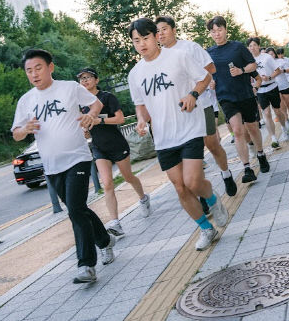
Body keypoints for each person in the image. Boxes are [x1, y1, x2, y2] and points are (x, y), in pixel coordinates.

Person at [11, 49, 116, 284]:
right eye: (29, 70)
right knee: (79, 210)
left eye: (38, 68)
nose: (34, 74)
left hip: (77, 157)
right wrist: (25, 130)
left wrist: (91, 116)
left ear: (50, 67)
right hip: (52, 166)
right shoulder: (26, 100)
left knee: (75, 210)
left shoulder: (69, 87)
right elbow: (16, 134)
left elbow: (96, 104)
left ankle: (86, 265)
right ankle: (106, 241)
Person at [128, 18, 229, 251]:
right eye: (136, 41)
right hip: (163, 137)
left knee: (192, 181)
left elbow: (205, 77)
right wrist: (142, 120)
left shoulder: (178, 56)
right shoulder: (135, 74)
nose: (141, 44)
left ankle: (213, 201)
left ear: (155, 36)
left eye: (145, 38)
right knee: (180, 188)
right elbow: (140, 106)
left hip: (189, 127)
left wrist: (193, 94)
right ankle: (206, 229)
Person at [155, 16, 238, 200]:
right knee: (192, 153)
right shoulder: (157, 57)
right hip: (180, 111)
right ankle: (201, 194)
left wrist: (195, 84)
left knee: (212, 145)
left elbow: (211, 68)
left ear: (174, 30)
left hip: (201, 104)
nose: (160, 34)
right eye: (157, 31)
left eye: (164, 29)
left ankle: (226, 174)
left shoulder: (189, 47)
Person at [77, 67, 152, 238]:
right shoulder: (81, 104)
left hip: (117, 144)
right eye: (82, 79)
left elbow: (120, 119)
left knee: (128, 177)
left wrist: (99, 120)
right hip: (98, 147)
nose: (85, 81)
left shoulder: (107, 97)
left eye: (88, 77)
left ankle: (143, 198)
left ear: (96, 80)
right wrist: (86, 131)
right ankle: (116, 223)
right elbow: (88, 128)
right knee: (108, 184)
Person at [206, 16, 269, 178]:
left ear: (226, 30)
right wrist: (211, 81)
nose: (217, 34)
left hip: (245, 94)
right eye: (213, 32)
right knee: (237, 130)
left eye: (219, 30)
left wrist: (241, 70)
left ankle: (261, 154)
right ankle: (247, 168)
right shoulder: (209, 53)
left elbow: (253, 65)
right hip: (225, 97)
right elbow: (206, 73)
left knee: (253, 127)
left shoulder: (238, 47)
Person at [247, 38, 289, 148]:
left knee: (277, 111)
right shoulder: (248, 60)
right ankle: (273, 137)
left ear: (258, 46)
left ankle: (284, 127)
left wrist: (269, 77)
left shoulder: (267, 57)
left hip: (272, 87)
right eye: (250, 46)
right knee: (266, 113)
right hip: (261, 90)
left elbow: (277, 70)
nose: (252, 47)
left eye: (254, 45)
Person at [267, 48, 289, 131]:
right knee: (282, 107)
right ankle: (286, 121)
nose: (271, 56)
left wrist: (283, 70)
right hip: (275, 88)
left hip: (284, 86)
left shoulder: (281, 61)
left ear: (275, 54)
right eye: (269, 54)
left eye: (272, 54)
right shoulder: (266, 65)